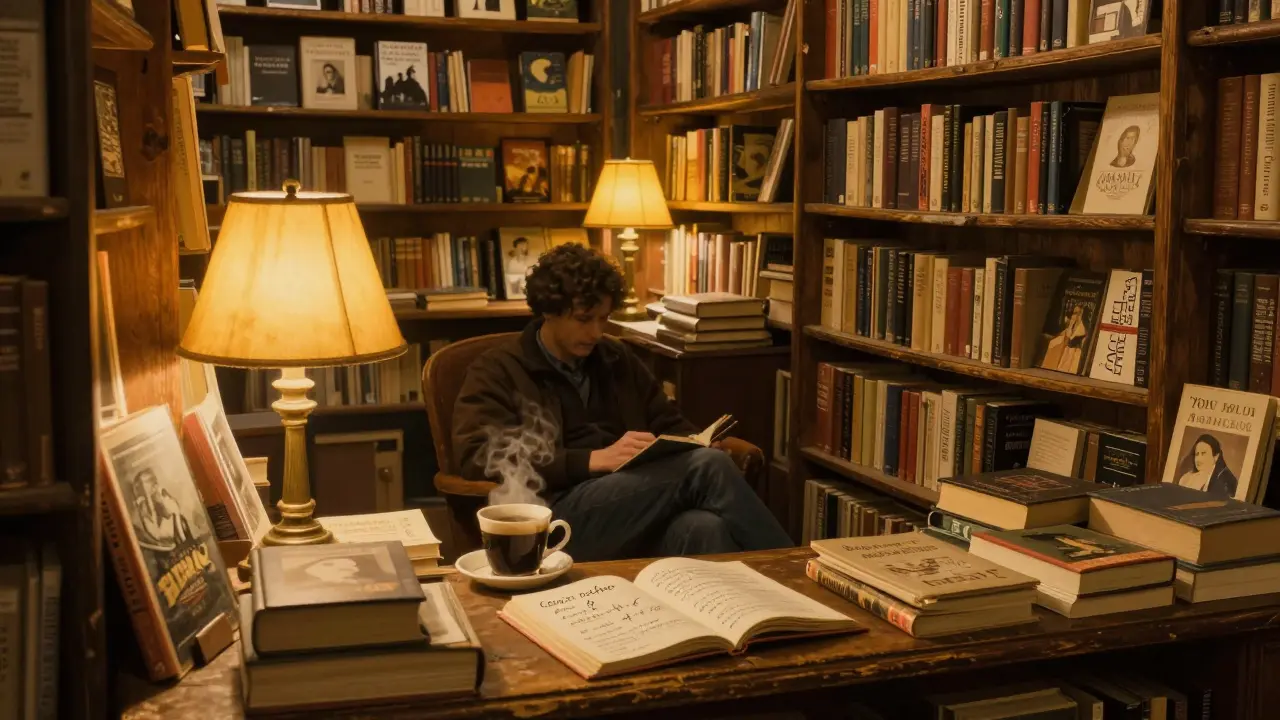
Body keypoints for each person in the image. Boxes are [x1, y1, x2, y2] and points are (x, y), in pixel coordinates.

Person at [451, 244, 792, 562]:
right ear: (549, 311)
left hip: (636, 504)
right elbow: (475, 456)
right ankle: (791, 568)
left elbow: (667, 422)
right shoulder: (498, 369)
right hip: (556, 516)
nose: (596, 332)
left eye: (604, 318)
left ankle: (759, 620)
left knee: (705, 527)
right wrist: (590, 461)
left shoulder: (615, 357)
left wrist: (696, 441)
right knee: (708, 467)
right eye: (585, 319)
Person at [1177, 433, 1238, 498]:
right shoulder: (1187, 478)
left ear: (1216, 457)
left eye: (1203, 453)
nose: (1198, 459)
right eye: (1197, 454)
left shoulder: (1225, 480)